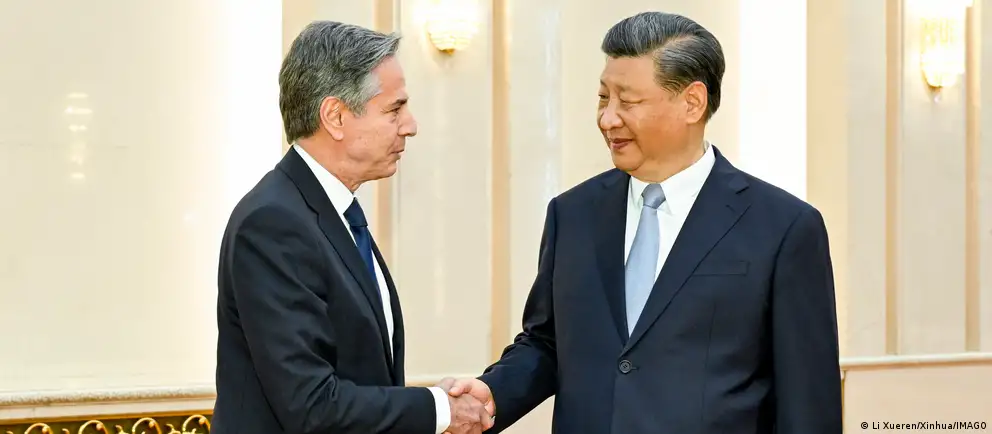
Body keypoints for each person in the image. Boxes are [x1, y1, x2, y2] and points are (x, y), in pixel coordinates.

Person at [441, 11, 842, 434]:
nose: (607, 119)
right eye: (603, 98)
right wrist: (494, 393)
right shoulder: (572, 214)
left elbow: (807, 400)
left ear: (692, 103)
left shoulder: (783, 228)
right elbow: (547, 342)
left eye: (628, 102)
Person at [211, 21, 494, 434]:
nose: (410, 125)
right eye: (394, 109)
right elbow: (311, 405)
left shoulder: (331, 214)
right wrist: (440, 409)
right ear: (335, 117)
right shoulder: (272, 223)